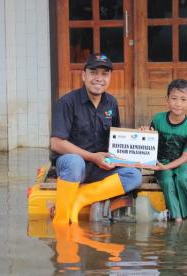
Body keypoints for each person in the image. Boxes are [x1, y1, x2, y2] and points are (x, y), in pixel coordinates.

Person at [50, 53, 142, 224]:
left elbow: (115, 142)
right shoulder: (67, 103)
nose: (99, 78)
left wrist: (137, 151)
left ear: (110, 78)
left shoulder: (111, 103)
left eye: (104, 74)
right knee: (75, 162)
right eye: (94, 72)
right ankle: (61, 220)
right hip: (74, 168)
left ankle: (81, 198)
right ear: (84, 75)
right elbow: (56, 143)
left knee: (134, 175)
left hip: (101, 167)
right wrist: (92, 157)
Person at [140, 79, 187, 223]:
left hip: (182, 163)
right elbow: (149, 141)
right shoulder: (158, 119)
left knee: (182, 179)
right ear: (167, 100)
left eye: (183, 99)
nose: (178, 103)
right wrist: (143, 133)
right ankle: (177, 217)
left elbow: (186, 157)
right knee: (167, 180)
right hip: (161, 162)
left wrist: (166, 166)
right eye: (173, 98)